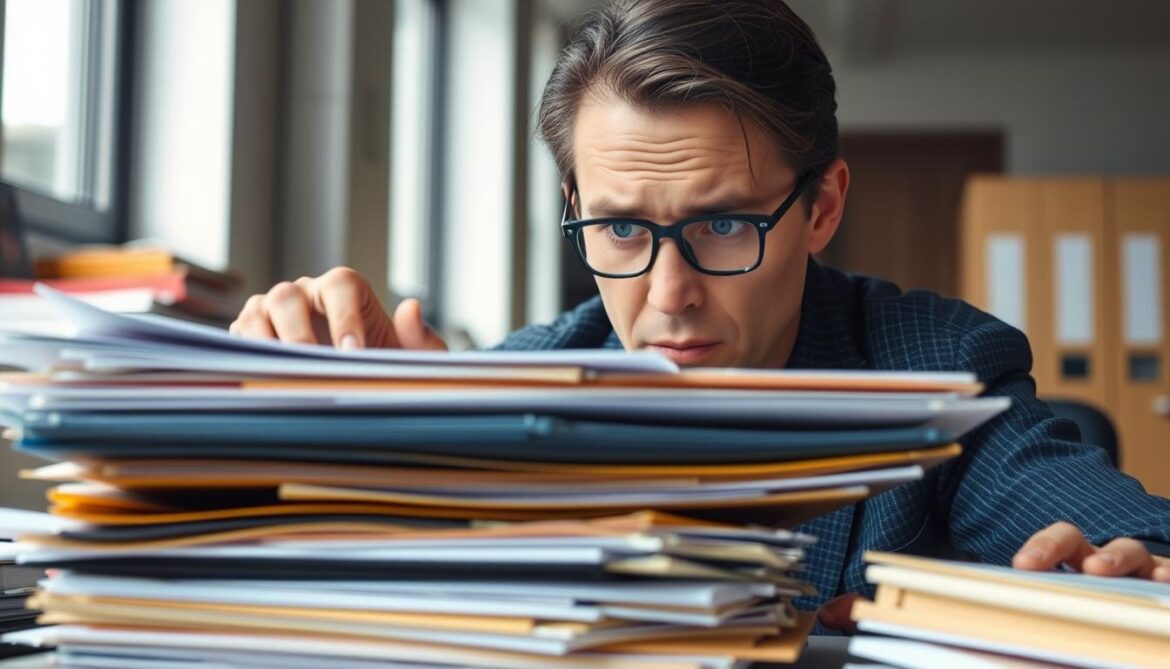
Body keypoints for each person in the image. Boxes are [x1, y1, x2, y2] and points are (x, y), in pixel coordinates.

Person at [231, 0, 1170, 634]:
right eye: (621, 228)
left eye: (724, 224)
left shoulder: (943, 369)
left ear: (823, 207)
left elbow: (1128, 540)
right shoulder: (521, 381)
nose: (669, 292)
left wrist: (1135, 568)